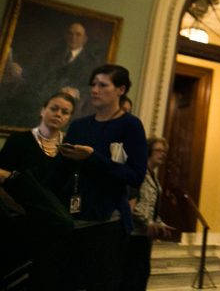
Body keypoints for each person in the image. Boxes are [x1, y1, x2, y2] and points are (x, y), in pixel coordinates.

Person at [52, 63, 148, 290]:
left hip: (108, 224)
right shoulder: (79, 126)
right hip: (73, 220)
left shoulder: (130, 126)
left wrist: (93, 157)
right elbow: (62, 172)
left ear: (120, 90)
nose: (94, 90)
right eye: (93, 84)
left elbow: (136, 176)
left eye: (103, 85)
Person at [0, 91, 77, 286]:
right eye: (54, 108)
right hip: (15, 218)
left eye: (65, 112)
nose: (58, 114)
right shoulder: (19, 140)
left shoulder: (69, 151)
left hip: (51, 227)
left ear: (69, 118)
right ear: (42, 111)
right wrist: (23, 209)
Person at [122, 136, 172, 291]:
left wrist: (159, 223)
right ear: (149, 150)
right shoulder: (139, 171)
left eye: (164, 151)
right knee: (131, 276)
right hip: (133, 233)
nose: (162, 154)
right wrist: (147, 221)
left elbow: (151, 204)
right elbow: (131, 202)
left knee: (142, 274)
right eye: (158, 150)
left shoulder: (154, 176)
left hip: (145, 235)